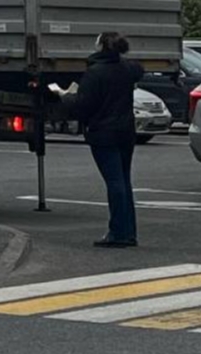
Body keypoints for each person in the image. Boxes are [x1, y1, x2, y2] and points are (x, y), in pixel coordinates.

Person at [68, 31, 144, 248]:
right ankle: (128, 231)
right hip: (126, 131)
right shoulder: (127, 69)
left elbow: (84, 106)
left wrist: (66, 99)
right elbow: (138, 69)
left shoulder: (95, 73)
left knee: (114, 181)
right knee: (124, 180)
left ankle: (118, 232)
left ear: (100, 46)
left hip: (103, 131)